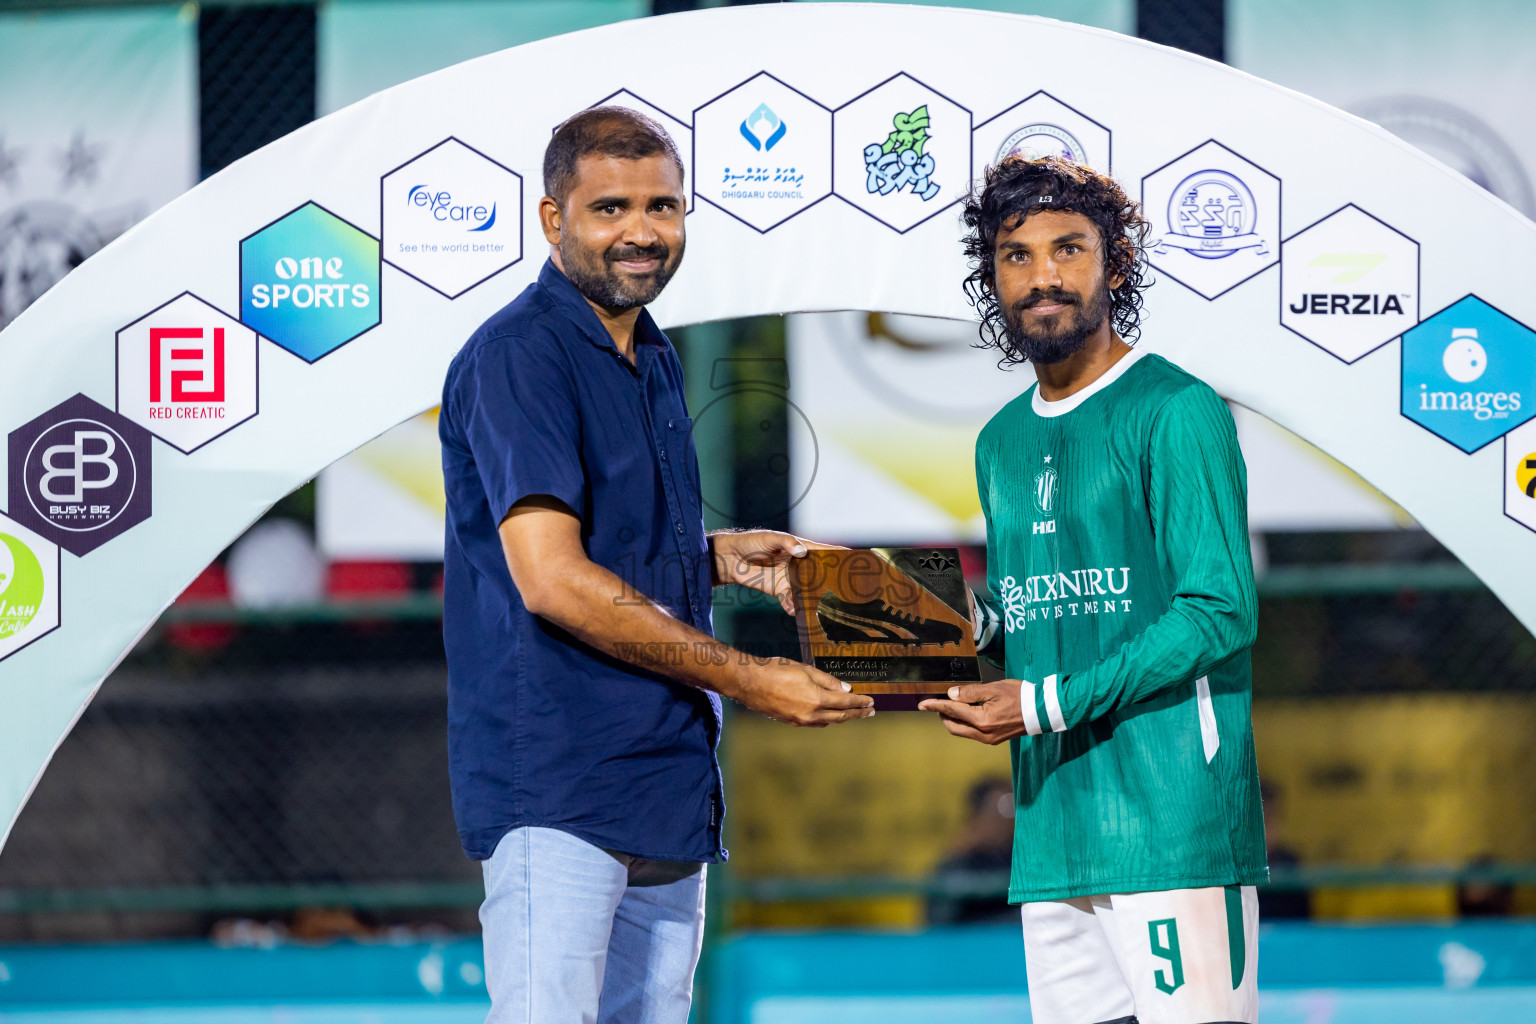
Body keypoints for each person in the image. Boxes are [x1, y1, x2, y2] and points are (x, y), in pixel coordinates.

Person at [437, 107, 874, 1024]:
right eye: (610, 208)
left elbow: (605, 546)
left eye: (662, 206)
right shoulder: (520, 355)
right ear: (553, 219)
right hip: (559, 781)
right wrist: (749, 677)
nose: (642, 230)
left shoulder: (651, 352)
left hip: (665, 780)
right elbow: (552, 579)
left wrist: (715, 558)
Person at [919, 156, 1267, 1024]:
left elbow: (1219, 610)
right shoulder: (1001, 441)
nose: (1043, 276)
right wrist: (907, 619)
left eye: (1068, 249)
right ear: (991, 279)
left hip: (1172, 825)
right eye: (1017, 255)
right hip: (1054, 828)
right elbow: (1030, 615)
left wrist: (1042, 704)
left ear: (1116, 265)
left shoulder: (1176, 408)